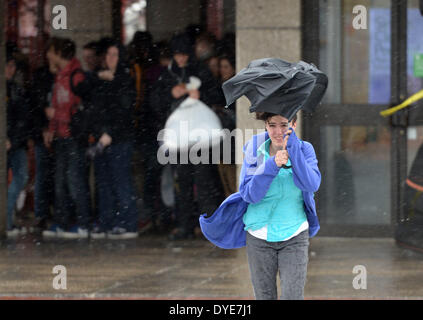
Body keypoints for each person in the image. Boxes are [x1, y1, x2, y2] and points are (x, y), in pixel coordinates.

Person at [151, 33, 225, 240]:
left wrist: (200, 95)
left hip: (199, 136)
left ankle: (206, 225)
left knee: (204, 181)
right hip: (179, 137)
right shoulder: (168, 75)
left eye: (184, 55)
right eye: (177, 55)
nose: (181, 59)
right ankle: (185, 224)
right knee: (181, 181)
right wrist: (170, 94)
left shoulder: (201, 71)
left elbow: (217, 95)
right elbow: (155, 102)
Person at [240, 112, 321, 300]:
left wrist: (294, 152)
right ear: (266, 126)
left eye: (284, 125)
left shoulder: (305, 149)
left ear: (293, 123)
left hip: (294, 234)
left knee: (292, 297)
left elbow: (311, 184)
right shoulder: (254, 149)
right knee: (265, 296)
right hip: (259, 236)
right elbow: (250, 194)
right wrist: (272, 165)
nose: (277, 131)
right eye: (272, 125)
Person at [42, 37, 92, 239]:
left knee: (74, 180)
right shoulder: (60, 77)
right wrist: (51, 129)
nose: (47, 55)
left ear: (59, 53)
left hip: (74, 137)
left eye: (50, 51)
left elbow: (80, 110)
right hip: (62, 137)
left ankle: (83, 223)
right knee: (60, 181)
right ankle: (62, 223)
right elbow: (56, 104)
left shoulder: (76, 76)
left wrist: (57, 117)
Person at [90, 41, 139, 239]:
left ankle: (128, 223)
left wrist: (110, 133)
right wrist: (101, 132)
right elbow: (94, 109)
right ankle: (106, 222)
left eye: (115, 55)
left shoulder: (125, 80)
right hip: (102, 139)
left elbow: (124, 112)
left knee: (121, 182)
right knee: (104, 183)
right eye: (108, 54)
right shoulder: (99, 79)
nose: (111, 59)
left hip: (120, 140)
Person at [28, 49, 57, 233]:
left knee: (56, 176)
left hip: (58, 133)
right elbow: (37, 106)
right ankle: (42, 213)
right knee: (43, 175)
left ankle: (50, 212)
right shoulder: (43, 77)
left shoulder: (62, 76)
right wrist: (42, 129)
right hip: (44, 133)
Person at [5, 55, 30, 238]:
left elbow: (22, 118)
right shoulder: (13, 90)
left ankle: (7, 219)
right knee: (18, 178)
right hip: (12, 142)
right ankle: (7, 220)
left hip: (16, 142)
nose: (10, 69)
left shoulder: (16, 89)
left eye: (12, 65)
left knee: (20, 178)